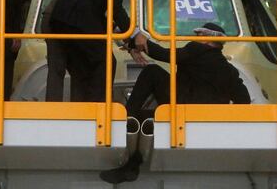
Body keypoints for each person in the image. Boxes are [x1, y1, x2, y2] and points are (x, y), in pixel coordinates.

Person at [100, 23, 251, 184]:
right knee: (147, 118)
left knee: (151, 74)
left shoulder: (195, 50)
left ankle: (126, 121)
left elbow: (162, 54)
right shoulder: (229, 71)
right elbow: (244, 100)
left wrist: (134, 40)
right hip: (207, 121)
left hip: (182, 110)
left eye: (198, 36)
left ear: (206, 39)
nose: (195, 39)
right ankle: (131, 165)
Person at [49, 0, 148, 102]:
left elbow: (97, 7)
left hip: (65, 20)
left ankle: (82, 107)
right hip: (77, 21)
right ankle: (99, 107)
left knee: (81, 67)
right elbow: (115, 7)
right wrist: (135, 34)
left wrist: (128, 42)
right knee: (106, 61)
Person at [43, 0, 120, 102]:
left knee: (78, 68)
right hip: (59, 21)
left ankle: (79, 106)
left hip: (68, 23)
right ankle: (53, 108)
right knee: (58, 66)